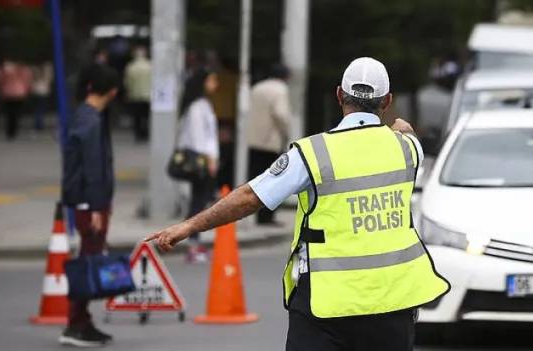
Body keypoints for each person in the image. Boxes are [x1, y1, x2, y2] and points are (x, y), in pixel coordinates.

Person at [146, 57, 450, 351]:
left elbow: (251, 197)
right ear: (387, 101)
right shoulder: (409, 149)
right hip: (393, 303)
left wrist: (188, 226)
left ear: (339, 95)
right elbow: (404, 136)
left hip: (326, 305)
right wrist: (401, 130)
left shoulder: (312, 154)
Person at [60, 65, 118, 347]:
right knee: (88, 262)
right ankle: (76, 323)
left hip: (86, 202)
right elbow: (93, 168)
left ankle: (81, 320)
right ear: (113, 91)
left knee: (89, 259)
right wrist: (97, 207)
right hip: (89, 204)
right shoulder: (92, 121)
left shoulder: (83, 115)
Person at [176, 68, 220, 263]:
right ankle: (192, 244)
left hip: (205, 159)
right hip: (201, 161)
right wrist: (210, 160)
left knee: (200, 200)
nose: (215, 84)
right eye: (212, 80)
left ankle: (195, 242)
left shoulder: (202, 104)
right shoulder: (197, 107)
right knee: (198, 202)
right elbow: (198, 137)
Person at [246, 63, 292, 224]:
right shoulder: (280, 89)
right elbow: (281, 114)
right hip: (270, 141)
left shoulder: (257, 88)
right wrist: (286, 132)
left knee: (256, 179)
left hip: (253, 140)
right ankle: (267, 217)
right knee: (273, 180)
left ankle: (257, 214)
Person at [0, 57, 32, 140]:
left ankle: (10, 131)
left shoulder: (6, 70)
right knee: (16, 113)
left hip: (8, 93)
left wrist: (0, 91)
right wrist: (26, 91)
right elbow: (27, 82)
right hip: (19, 94)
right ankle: (13, 130)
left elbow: (0, 81)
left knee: (9, 114)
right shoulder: (24, 70)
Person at [123, 46, 151, 142]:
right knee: (146, 116)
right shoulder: (150, 66)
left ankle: (138, 134)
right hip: (148, 95)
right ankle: (146, 133)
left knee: (137, 117)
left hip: (135, 96)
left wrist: (128, 93)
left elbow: (127, 83)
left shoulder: (130, 67)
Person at [31, 60, 53, 132]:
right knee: (41, 108)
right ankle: (40, 124)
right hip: (43, 90)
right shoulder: (47, 69)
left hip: (35, 90)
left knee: (37, 108)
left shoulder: (34, 69)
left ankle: (38, 124)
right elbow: (50, 79)